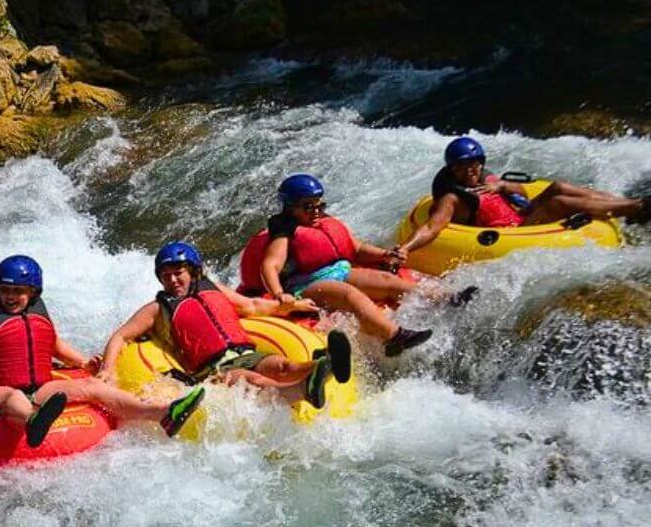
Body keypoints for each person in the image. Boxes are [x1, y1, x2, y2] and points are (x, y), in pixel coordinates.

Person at [0, 255, 206, 438]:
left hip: (39, 389)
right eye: (5, 291)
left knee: (93, 387)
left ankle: (163, 413)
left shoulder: (38, 318)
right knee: (10, 396)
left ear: (33, 293)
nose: (11, 297)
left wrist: (82, 363)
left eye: (18, 291)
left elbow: (54, 345)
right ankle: (33, 422)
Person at [98, 242, 353, 410]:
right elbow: (121, 335)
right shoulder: (157, 309)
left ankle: (323, 365)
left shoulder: (213, 288)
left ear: (194, 272)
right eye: (166, 276)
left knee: (282, 365)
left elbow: (251, 306)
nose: (173, 280)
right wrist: (108, 370)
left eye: (179, 273)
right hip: (212, 370)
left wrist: (288, 306)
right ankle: (303, 388)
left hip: (244, 352)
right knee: (247, 379)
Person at [239, 174, 454, 357]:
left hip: (338, 270)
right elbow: (270, 265)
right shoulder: (283, 231)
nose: (315, 211)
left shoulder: (322, 221)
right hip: (306, 283)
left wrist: (384, 255)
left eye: (319, 205)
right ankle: (393, 337)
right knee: (350, 295)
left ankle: (445, 299)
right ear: (290, 208)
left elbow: (356, 248)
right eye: (308, 206)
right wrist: (279, 294)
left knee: (387, 281)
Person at [396, 136, 651, 257]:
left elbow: (523, 192)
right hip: (515, 231)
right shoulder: (452, 198)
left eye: (475, 164)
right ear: (453, 169)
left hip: (521, 216)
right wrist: (405, 248)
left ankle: (619, 202)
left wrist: (502, 186)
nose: (471, 170)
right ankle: (636, 208)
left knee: (558, 187)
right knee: (558, 203)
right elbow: (432, 227)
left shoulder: (488, 179)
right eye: (463, 166)